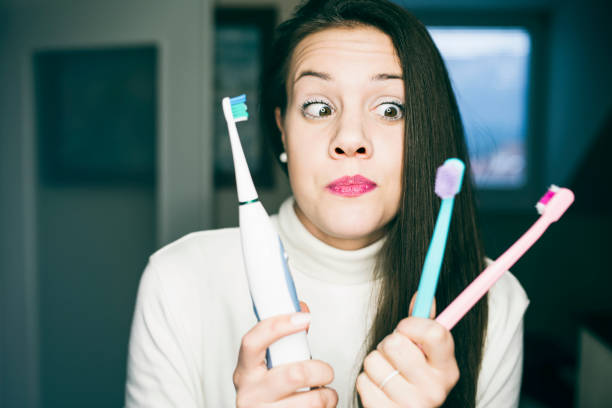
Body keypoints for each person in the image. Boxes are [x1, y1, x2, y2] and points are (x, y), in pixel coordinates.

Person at [125, 0, 529, 407]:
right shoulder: (177, 280)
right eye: (318, 107)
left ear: (426, 130)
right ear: (282, 130)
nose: (350, 138)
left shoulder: (492, 298)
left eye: (390, 109)